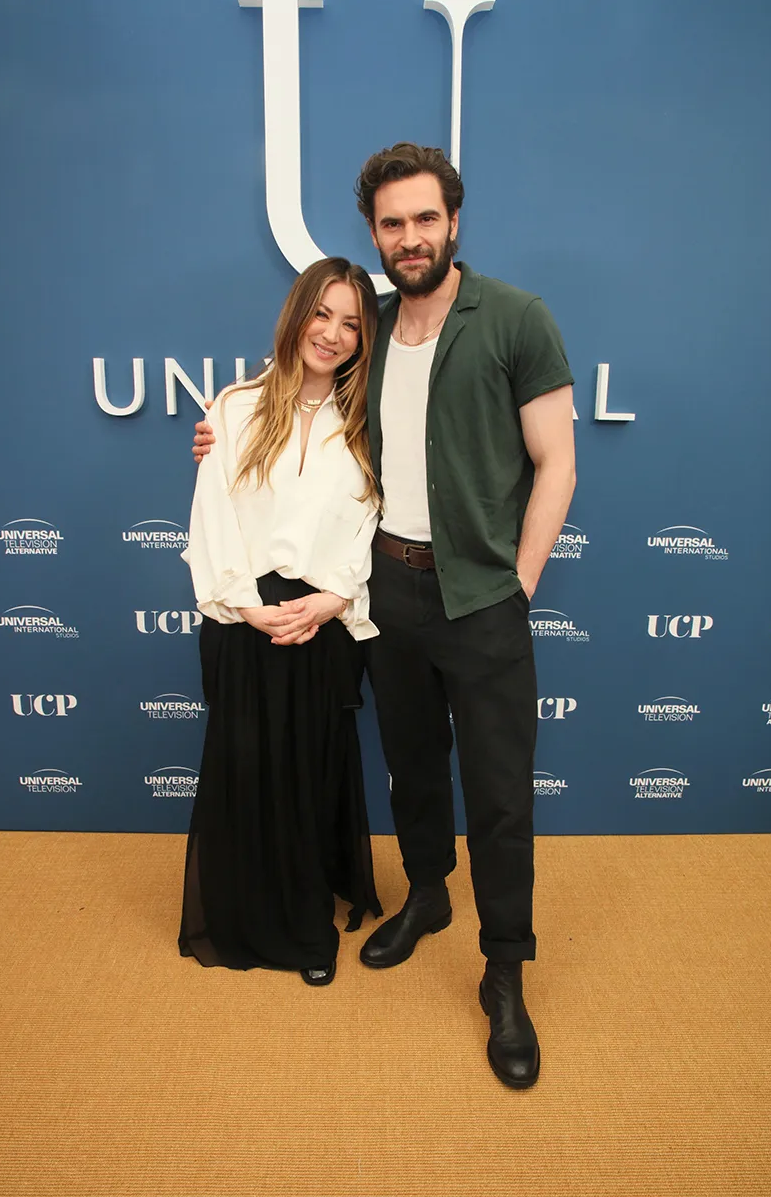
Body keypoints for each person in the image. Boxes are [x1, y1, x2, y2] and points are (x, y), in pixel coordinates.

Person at [194, 144, 576, 1086]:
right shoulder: (370, 332)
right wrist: (221, 428)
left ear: (455, 221)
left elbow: (557, 465)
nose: (411, 238)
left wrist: (519, 586)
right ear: (374, 233)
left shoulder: (516, 318)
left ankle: (504, 972)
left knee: (499, 797)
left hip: (482, 598)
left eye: (425, 219)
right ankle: (428, 897)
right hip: (388, 591)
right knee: (412, 769)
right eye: (392, 223)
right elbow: (297, 413)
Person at [180, 256, 383, 987]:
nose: (332, 334)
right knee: (246, 769)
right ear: (297, 314)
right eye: (322, 313)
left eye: (351, 324)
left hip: (323, 622)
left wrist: (334, 599)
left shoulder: (368, 423)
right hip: (245, 618)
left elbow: (372, 525)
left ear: (364, 339)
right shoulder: (235, 408)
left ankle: (304, 927)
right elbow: (212, 516)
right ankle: (243, 914)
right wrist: (247, 608)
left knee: (307, 776)